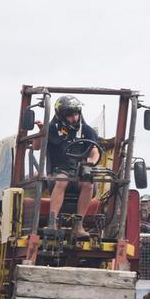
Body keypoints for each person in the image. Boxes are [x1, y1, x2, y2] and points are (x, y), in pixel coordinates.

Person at [44, 95, 99, 237]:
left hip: (79, 172)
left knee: (88, 184)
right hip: (58, 172)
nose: (74, 118)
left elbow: (95, 151)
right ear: (61, 116)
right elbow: (38, 147)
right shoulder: (51, 129)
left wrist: (91, 162)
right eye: (70, 115)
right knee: (62, 180)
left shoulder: (87, 131)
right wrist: (40, 132)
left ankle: (78, 225)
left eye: (76, 114)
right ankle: (52, 222)